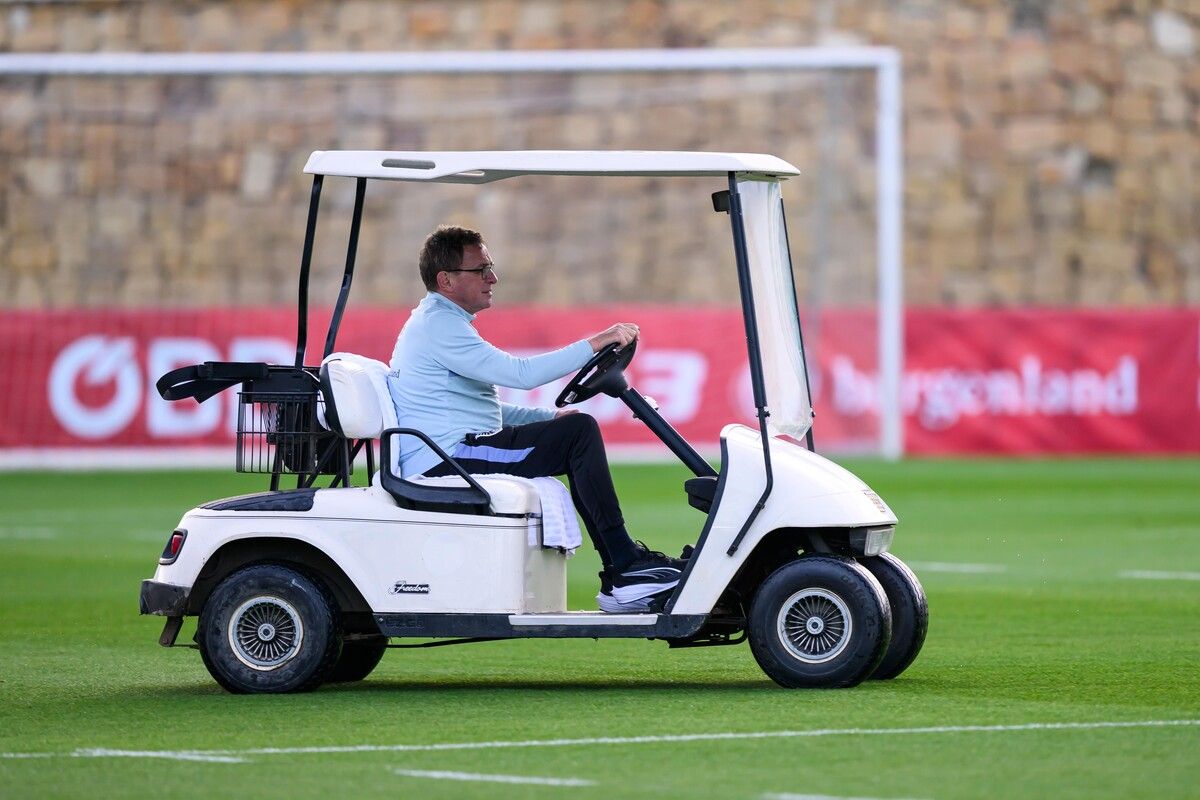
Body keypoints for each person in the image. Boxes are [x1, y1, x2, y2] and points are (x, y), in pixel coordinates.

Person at [388, 224, 685, 613]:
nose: (492, 278)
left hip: (454, 448)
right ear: (446, 280)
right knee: (578, 433)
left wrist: (550, 415)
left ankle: (624, 566)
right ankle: (624, 567)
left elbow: (487, 408)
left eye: (489, 268)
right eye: (480, 270)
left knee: (572, 428)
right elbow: (521, 375)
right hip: (447, 460)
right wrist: (596, 342)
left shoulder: (442, 322)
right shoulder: (438, 325)